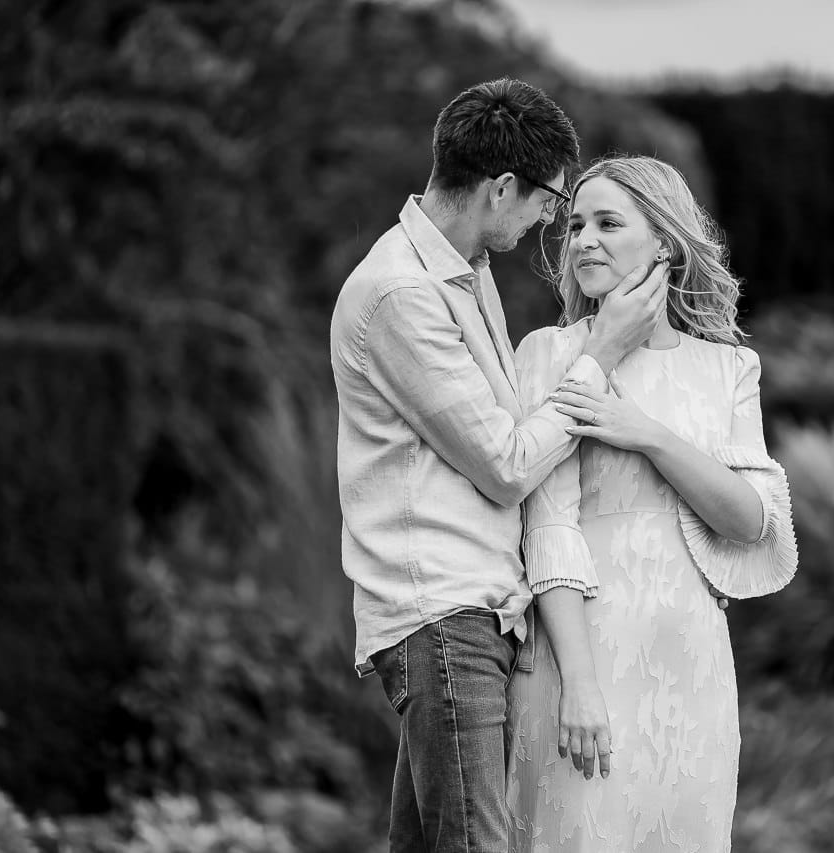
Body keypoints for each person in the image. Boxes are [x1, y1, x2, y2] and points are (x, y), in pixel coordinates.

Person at [330, 80, 669, 853]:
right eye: (551, 200)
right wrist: (601, 353)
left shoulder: (465, 267)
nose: (553, 220)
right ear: (502, 187)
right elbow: (508, 463)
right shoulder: (400, 294)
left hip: (473, 612)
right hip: (443, 614)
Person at [505, 155, 799, 852]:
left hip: (692, 665)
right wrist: (578, 683)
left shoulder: (728, 367)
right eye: (575, 225)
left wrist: (647, 434)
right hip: (584, 657)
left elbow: (751, 519)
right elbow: (547, 524)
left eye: (608, 223)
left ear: (664, 242)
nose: (583, 241)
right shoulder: (550, 354)